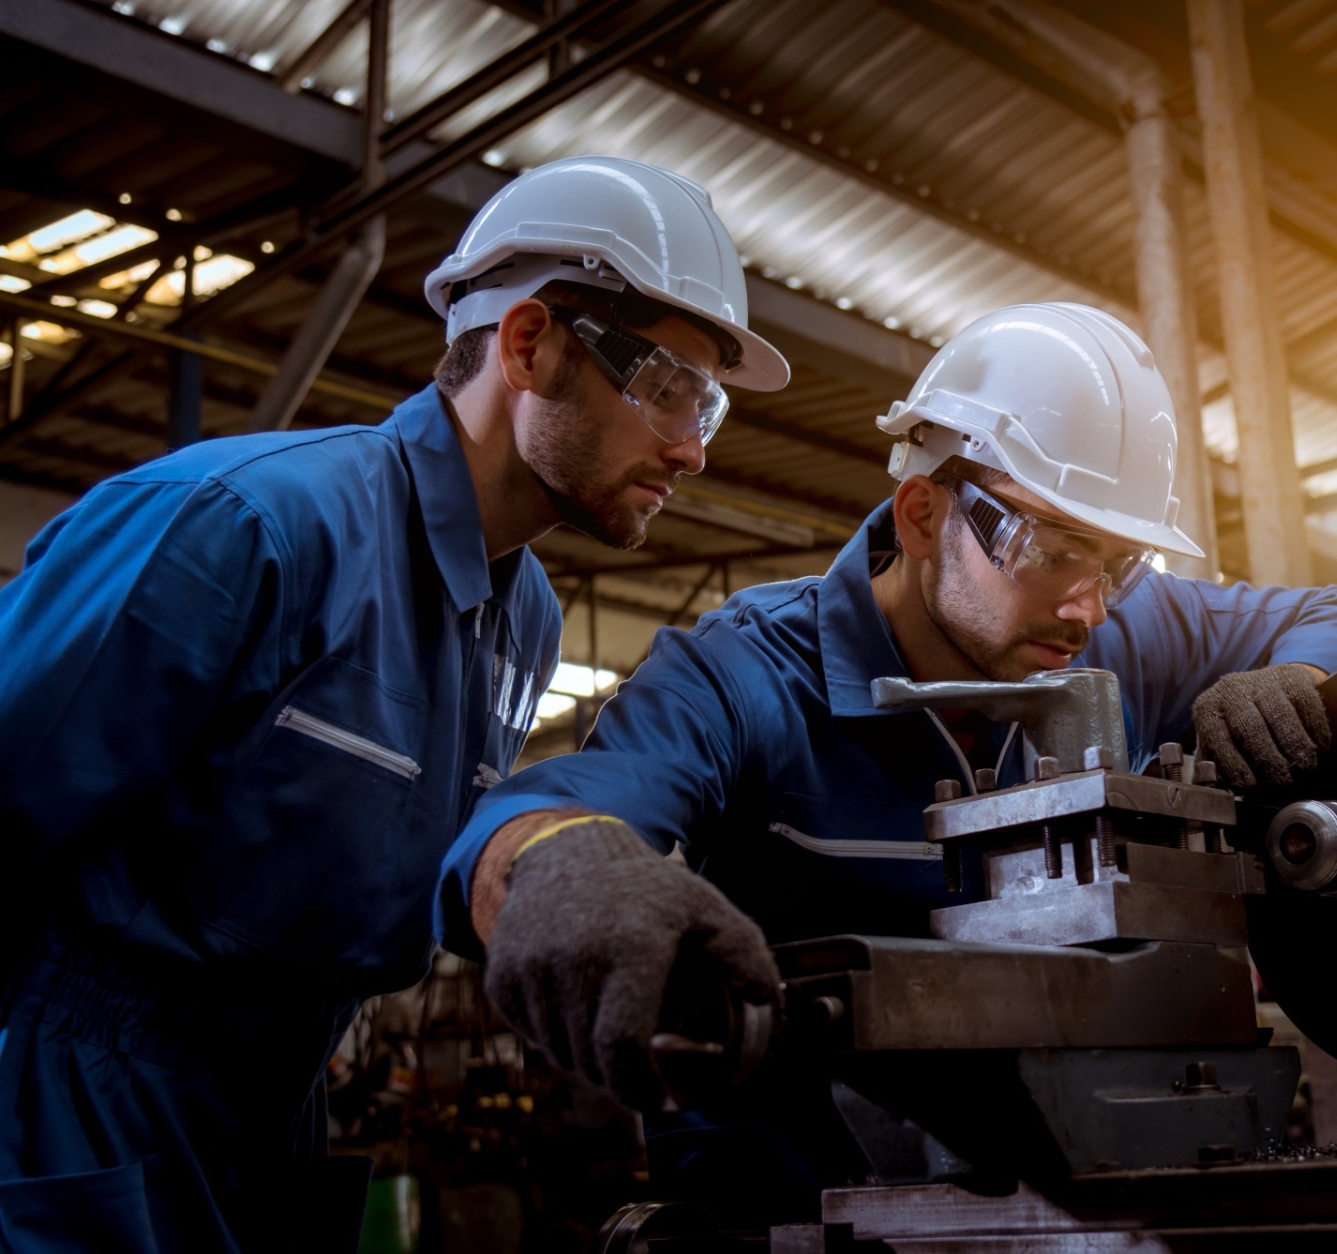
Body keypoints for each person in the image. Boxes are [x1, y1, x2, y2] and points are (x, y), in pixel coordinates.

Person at [436, 302, 1337, 1214]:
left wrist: (1300, 676)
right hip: (797, 1209)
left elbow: (1329, 614)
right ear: (924, 513)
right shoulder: (748, 672)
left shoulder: (1112, 626)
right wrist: (559, 864)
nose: (1089, 606)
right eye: (1048, 547)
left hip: (1086, 1188)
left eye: (1119, 564)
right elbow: (545, 814)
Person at [0, 156, 787, 1252]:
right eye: (666, 386)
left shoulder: (525, 624)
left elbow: (377, 865)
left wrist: (543, 896)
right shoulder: (244, 527)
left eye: (707, 404)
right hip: (71, 1106)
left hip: (276, 1114)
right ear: (528, 342)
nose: (693, 447)